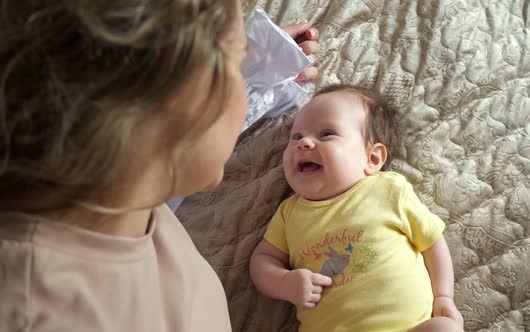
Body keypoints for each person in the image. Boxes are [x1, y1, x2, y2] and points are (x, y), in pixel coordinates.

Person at [0, 0, 318, 331]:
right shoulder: (31, 309)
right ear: (185, 98)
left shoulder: (114, 192)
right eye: (239, 58)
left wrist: (261, 76)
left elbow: (171, 150)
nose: (243, 74)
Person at [249, 85, 465, 332]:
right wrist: (285, 282)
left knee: (444, 328)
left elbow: (432, 241)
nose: (305, 143)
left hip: (409, 328)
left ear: (372, 159)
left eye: (327, 133)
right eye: (296, 136)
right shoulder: (290, 213)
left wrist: (444, 297)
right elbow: (262, 260)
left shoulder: (389, 190)